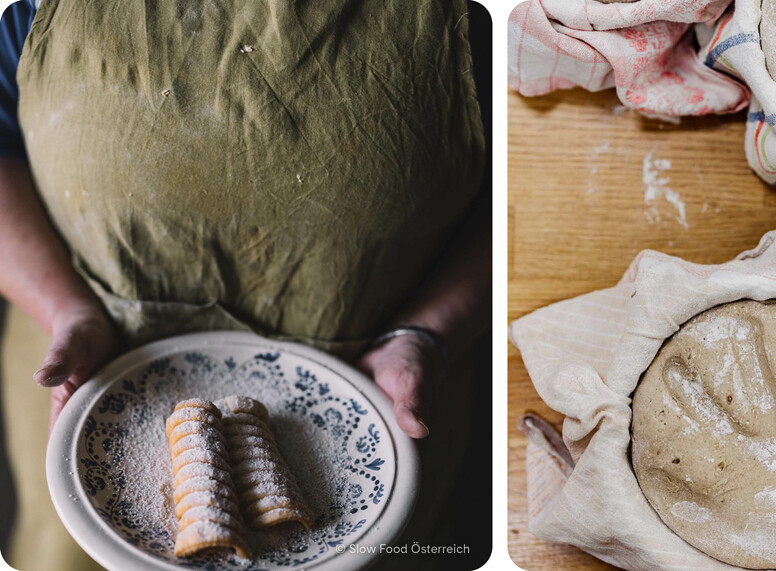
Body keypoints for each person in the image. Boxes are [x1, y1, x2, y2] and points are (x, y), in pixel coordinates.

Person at [0, 1, 491, 569]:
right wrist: (63, 310)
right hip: (89, 380)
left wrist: (427, 332)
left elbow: (515, 192)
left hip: (380, 397)